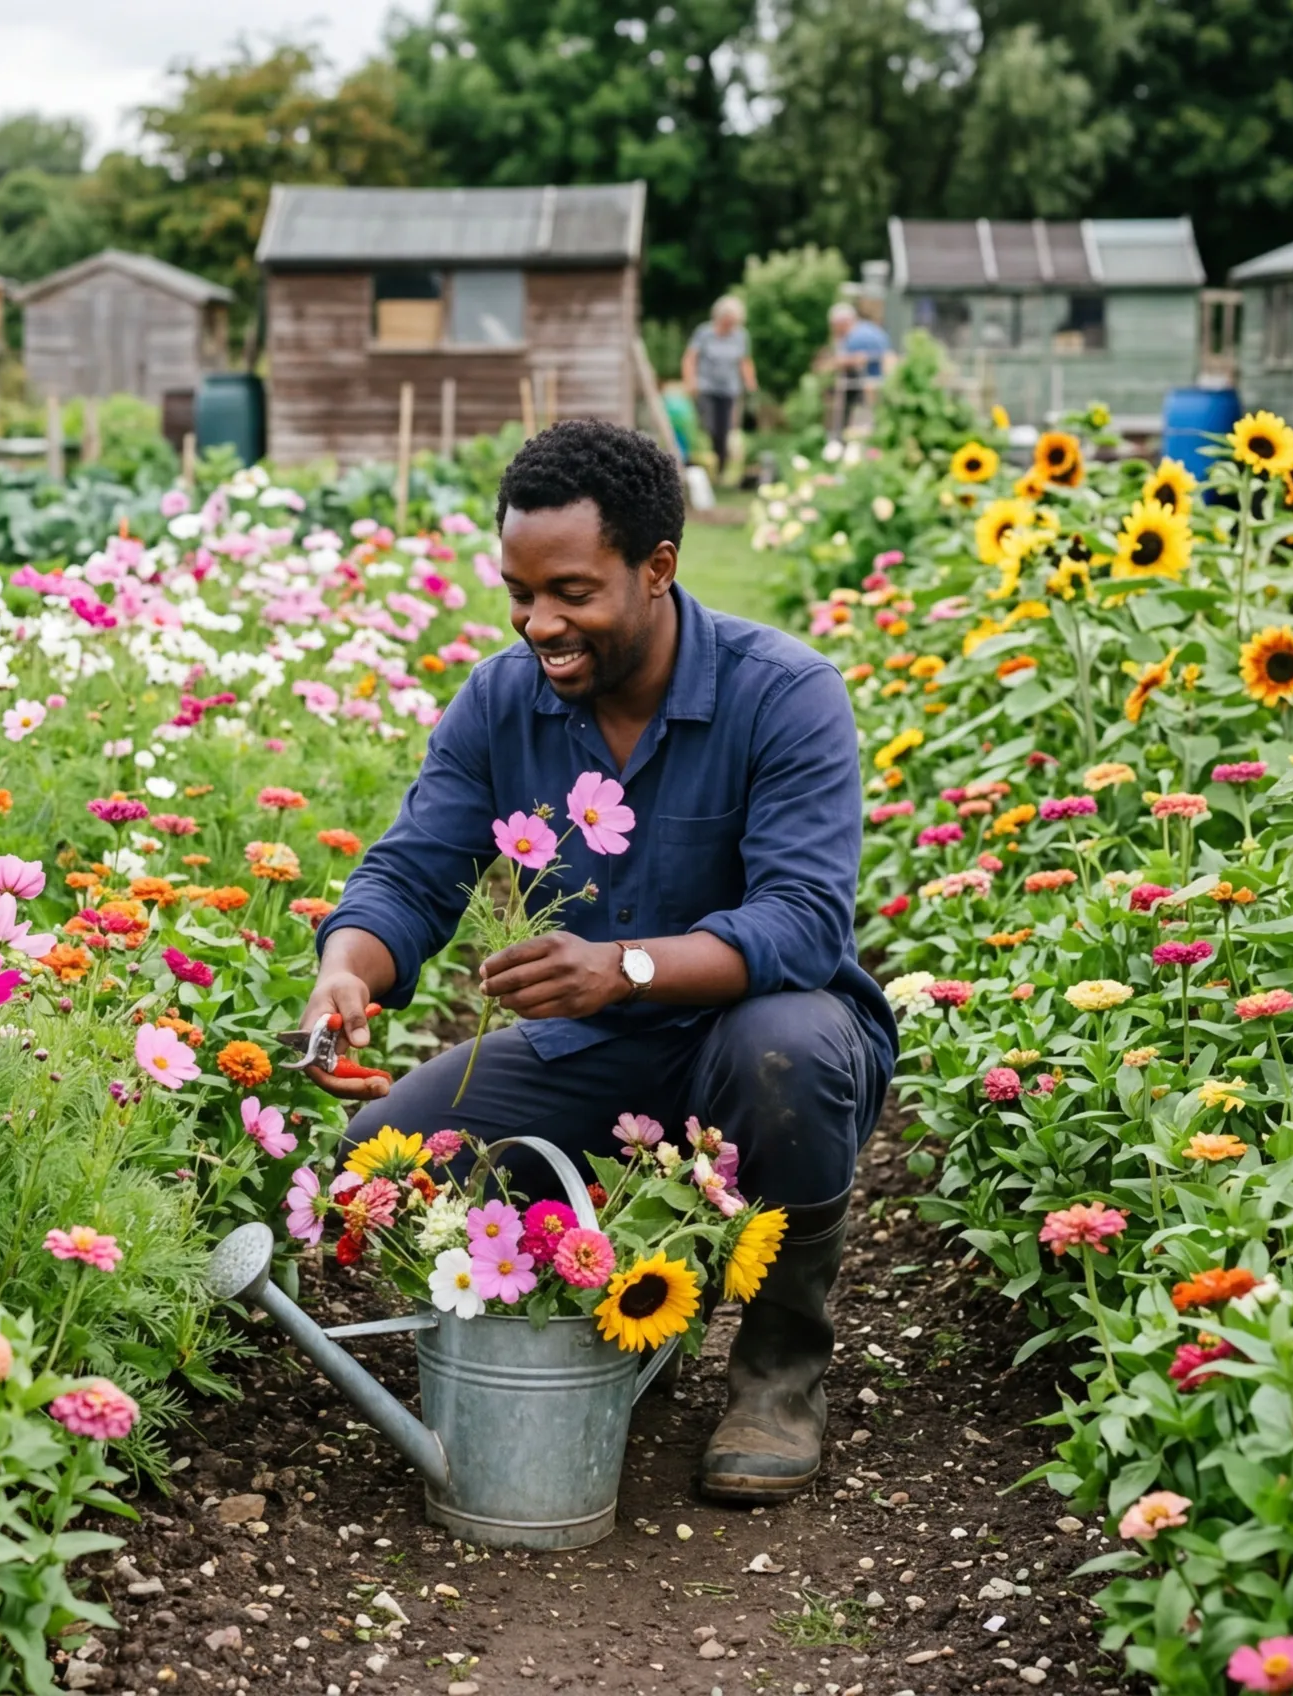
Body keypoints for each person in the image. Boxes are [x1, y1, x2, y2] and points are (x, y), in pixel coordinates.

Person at [300, 419, 895, 1504]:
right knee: (383, 1160)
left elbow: (804, 922)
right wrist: (348, 968)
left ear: (656, 568)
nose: (539, 622)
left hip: (752, 1034)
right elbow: (412, 872)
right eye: (519, 592)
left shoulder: (782, 693)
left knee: (787, 1053)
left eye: (570, 592)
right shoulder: (503, 700)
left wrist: (624, 967)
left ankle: (777, 1369)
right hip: (595, 1050)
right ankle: (607, 1316)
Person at [680, 298, 755, 478]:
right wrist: (690, 381)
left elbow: (744, 360)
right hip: (706, 387)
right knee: (709, 426)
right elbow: (690, 358)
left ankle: (720, 467)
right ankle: (704, 463)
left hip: (729, 389)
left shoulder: (740, 335)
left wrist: (750, 381)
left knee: (725, 430)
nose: (730, 326)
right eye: (728, 322)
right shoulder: (704, 332)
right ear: (719, 318)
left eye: (734, 322)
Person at [825, 302, 892, 437]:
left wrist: (831, 364)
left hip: (868, 385)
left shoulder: (855, 337)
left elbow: (850, 360)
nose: (833, 330)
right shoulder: (870, 329)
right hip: (882, 383)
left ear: (842, 323)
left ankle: (840, 435)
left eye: (834, 325)